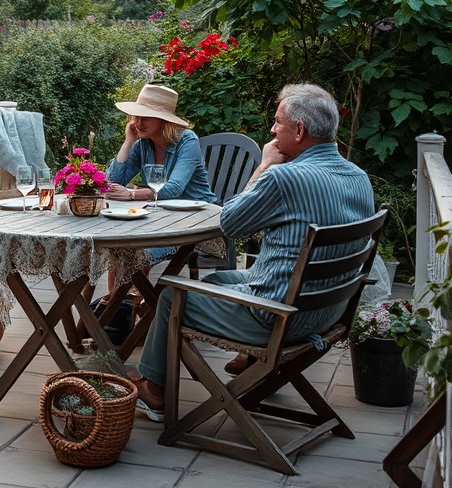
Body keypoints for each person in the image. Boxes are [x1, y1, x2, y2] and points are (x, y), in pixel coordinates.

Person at [131, 83, 376, 422]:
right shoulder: (359, 177)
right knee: (217, 278)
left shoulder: (286, 178)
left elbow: (229, 223)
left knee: (173, 293)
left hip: (279, 317)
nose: (272, 131)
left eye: (277, 123)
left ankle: (154, 391)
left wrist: (263, 167)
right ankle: (253, 363)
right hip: (328, 311)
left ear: (300, 131)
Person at [100, 84, 217, 290]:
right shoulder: (142, 144)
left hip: (195, 221)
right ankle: (119, 310)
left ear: (163, 119)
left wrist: (131, 194)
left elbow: (173, 189)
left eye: (145, 117)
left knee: (137, 250)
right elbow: (112, 181)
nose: (137, 122)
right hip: (158, 215)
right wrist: (128, 142)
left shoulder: (187, 141)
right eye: (136, 117)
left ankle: (134, 305)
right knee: (120, 247)